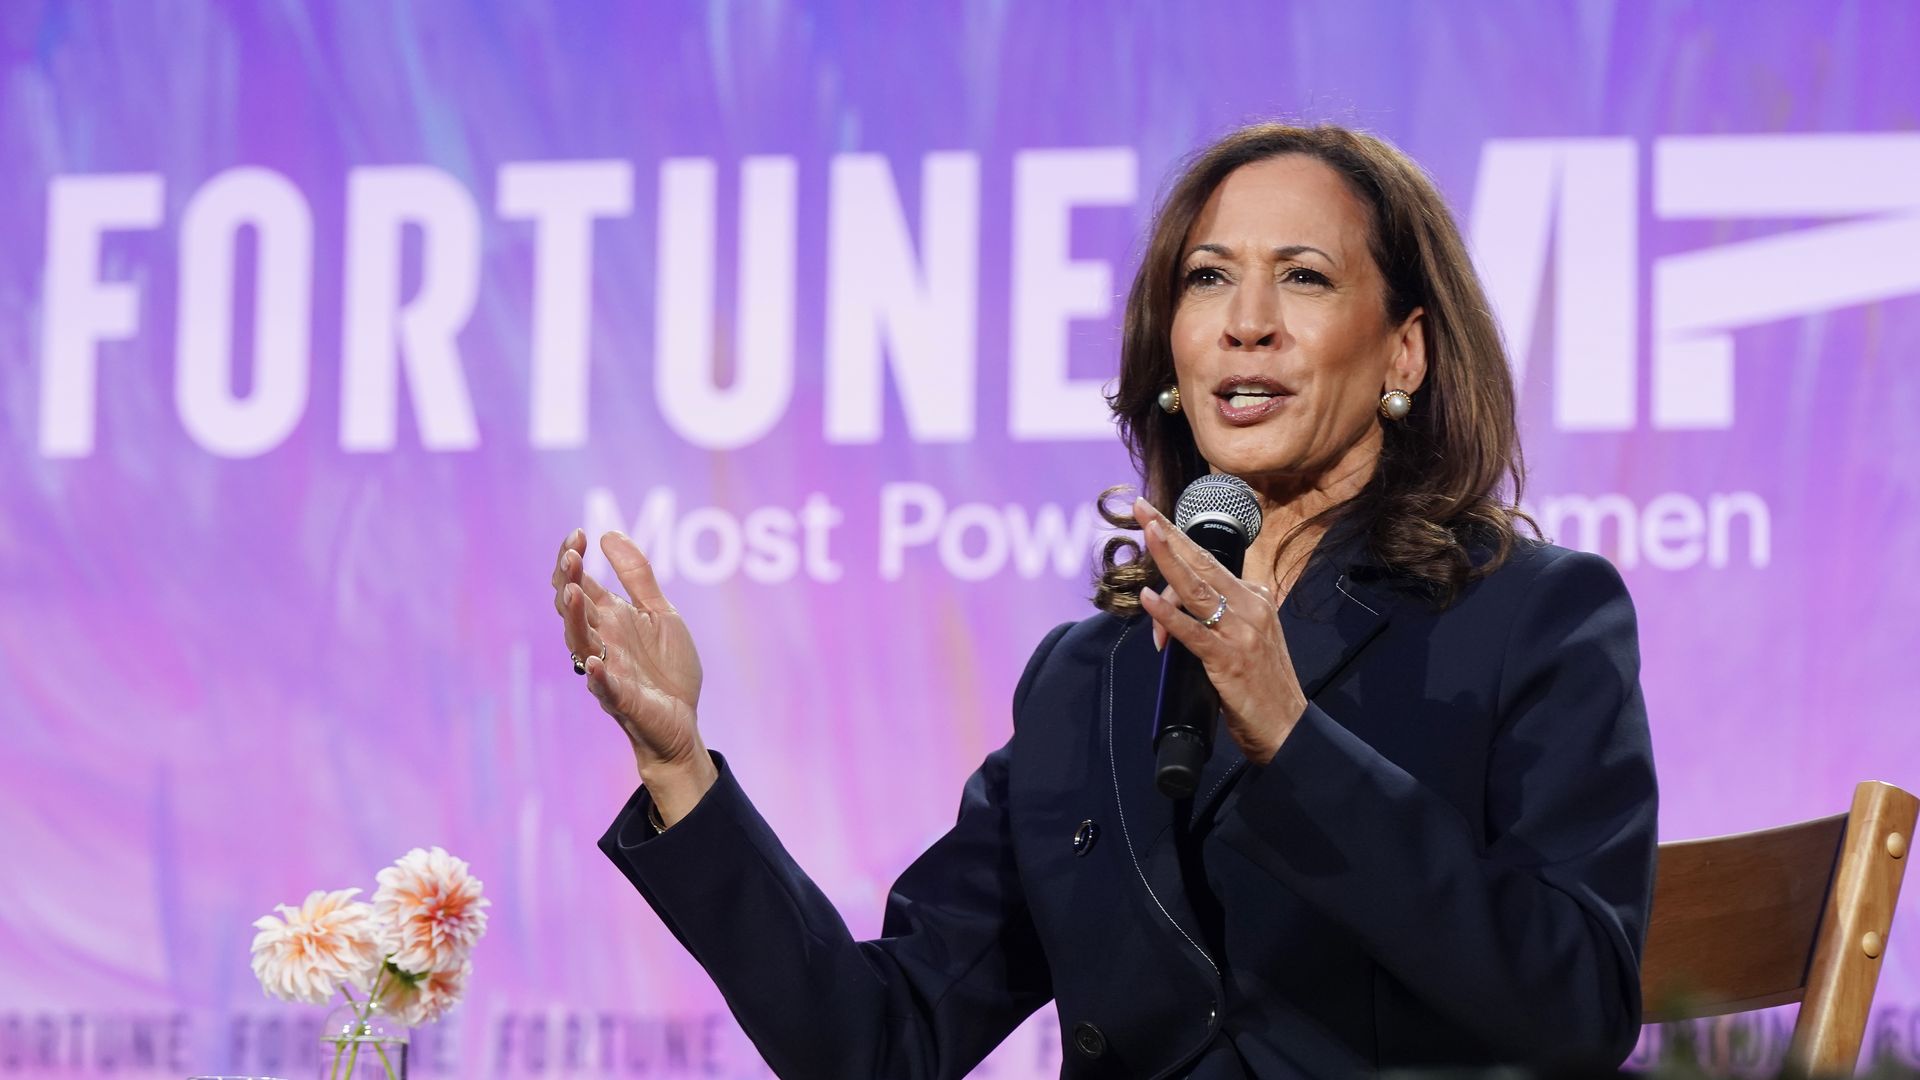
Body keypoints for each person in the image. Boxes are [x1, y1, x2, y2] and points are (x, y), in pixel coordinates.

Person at [548, 122, 1658, 1078]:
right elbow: (877, 1042)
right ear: (1171, 352)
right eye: (1208, 277)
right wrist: (680, 770)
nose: (1247, 321)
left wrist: (1293, 737)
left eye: (1306, 276)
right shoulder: (1090, 680)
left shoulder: (1530, 619)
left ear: (1403, 353)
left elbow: (1575, 1010)